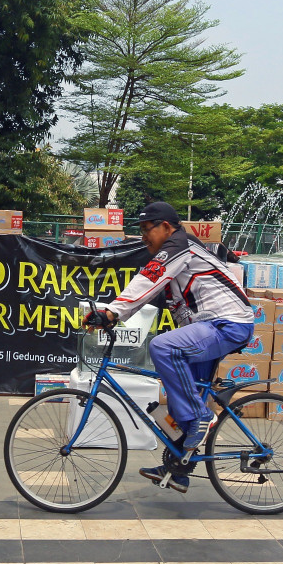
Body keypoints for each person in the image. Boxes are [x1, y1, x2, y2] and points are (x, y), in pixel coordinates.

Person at [93, 201, 254, 493]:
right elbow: (150, 293)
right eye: (140, 231)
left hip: (227, 324)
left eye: (146, 230)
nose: (143, 237)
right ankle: (178, 468)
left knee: (163, 347)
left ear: (167, 227)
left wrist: (112, 312)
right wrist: (116, 315)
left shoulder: (179, 245)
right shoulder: (175, 255)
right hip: (209, 328)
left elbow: (148, 279)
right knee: (182, 395)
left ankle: (201, 417)